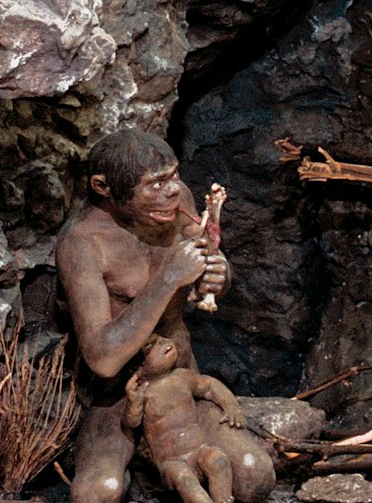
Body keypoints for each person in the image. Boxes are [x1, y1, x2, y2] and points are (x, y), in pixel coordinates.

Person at [57, 131, 274, 503]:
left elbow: (207, 267)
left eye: (173, 176)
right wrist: (168, 279)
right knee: (97, 495)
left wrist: (220, 275)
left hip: (181, 381)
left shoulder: (177, 204)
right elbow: (103, 359)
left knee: (253, 474)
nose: (172, 190)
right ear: (103, 187)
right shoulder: (83, 244)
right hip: (120, 397)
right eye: (154, 184)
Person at [123, 334, 242, 503]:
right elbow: (131, 423)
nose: (163, 341)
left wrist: (230, 405)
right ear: (140, 366)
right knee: (185, 479)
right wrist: (133, 401)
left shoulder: (182, 377)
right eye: (152, 344)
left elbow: (209, 385)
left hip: (200, 449)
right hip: (171, 463)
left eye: (162, 338)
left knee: (218, 460)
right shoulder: (143, 392)